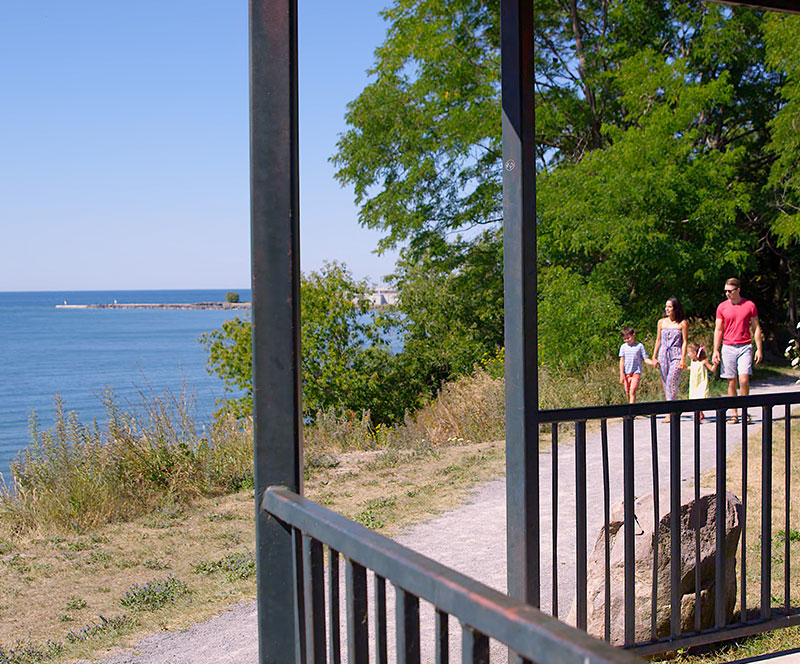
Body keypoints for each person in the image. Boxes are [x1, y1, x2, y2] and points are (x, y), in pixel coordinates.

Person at [711, 278, 763, 424]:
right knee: (731, 381)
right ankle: (734, 413)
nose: (727, 294)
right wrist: (715, 350)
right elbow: (718, 329)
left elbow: (756, 327)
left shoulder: (749, 305)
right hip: (728, 347)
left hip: (745, 346)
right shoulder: (722, 307)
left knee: (744, 379)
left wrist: (759, 348)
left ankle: (744, 411)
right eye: (725, 291)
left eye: (730, 291)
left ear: (738, 290)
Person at [652, 297, 688, 422]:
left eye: (670, 307)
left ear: (675, 308)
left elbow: (684, 342)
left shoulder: (682, 323)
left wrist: (683, 358)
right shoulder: (661, 322)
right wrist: (654, 356)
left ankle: (671, 412)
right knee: (665, 382)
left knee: (672, 381)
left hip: (676, 354)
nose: (667, 309)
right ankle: (672, 409)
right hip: (663, 354)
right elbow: (658, 340)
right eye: (666, 307)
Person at [618, 326, 655, 404]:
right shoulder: (623, 347)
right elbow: (622, 361)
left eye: (628, 338)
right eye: (625, 339)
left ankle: (632, 411)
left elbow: (645, 359)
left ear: (633, 335)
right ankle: (629, 407)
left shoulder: (639, 346)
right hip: (626, 373)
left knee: (633, 390)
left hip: (635, 372)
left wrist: (652, 362)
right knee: (627, 391)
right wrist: (621, 374)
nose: (627, 340)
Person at [687, 342, 717, 421]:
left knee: (700, 399)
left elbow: (712, 369)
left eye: (689, 353)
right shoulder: (693, 362)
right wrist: (685, 367)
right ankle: (699, 413)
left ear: (695, 353)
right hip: (694, 384)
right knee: (694, 399)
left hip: (701, 384)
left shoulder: (703, 362)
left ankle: (699, 414)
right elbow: (692, 368)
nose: (688, 355)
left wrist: (715, 364)